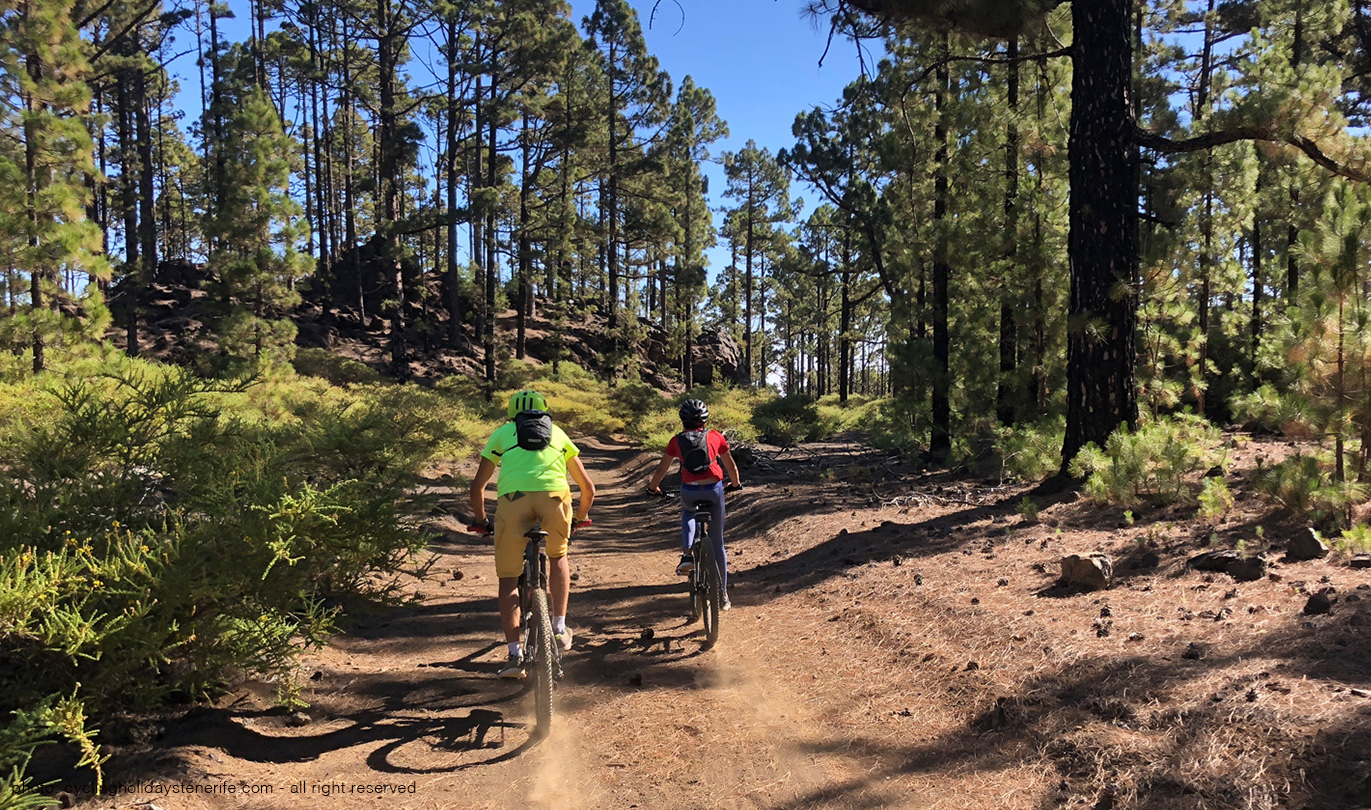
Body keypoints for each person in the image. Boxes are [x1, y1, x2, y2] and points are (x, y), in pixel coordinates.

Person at [468, 389, 595, 679]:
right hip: (554, 499)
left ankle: (514, 656)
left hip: (512, 502)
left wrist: (481, 520)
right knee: (557, 555)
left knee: (508, 579)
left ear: (512, 413)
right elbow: (588, 487)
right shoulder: (559, 434)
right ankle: (560, 628)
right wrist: (580, 517)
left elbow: (477, 487)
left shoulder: (501, 433)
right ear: (545, 411)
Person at [646, 399, 742, 609]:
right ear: (705, 419)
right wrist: (735, 485)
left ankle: (687, 554)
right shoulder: (715, 436)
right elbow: (731, 466)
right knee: (717, 542)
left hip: (689, 489)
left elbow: (662, 469)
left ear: (683, 421)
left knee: (688, 512)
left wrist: (653, 489)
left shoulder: (676, 441)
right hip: (714, 490)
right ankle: (723, 595)